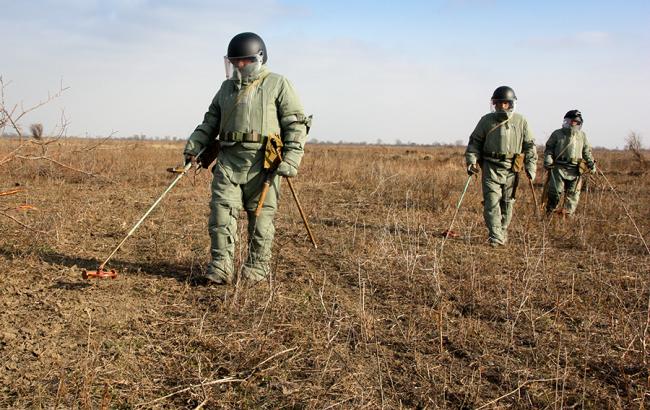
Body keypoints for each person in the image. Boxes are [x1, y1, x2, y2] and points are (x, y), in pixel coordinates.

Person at [183, 32, 310, 284]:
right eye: (234, 61)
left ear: (258, 58)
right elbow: (210, 121)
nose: (239, 66)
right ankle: (219, 268)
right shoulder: (225, 88)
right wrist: (194, 146)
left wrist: (292, 158)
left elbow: (296, 124)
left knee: (260, 220)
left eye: (244, 61)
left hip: (264, 164)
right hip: (229, 161)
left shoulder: (278, 84)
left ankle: (256, 270)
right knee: (221, 215)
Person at [465, 86, 537, 246]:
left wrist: (531, 167)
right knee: (491, 202)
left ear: (511, 104)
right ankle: (495, 237)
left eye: (504, 103)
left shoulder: (521, 121)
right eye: (497, 103)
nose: (500, 106)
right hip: (491, 167)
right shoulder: (486, 120)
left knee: (507, 203)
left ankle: (502, 230)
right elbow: (475, 142)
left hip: (512, 169)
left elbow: (530, 147)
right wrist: (471, 160)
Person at [543, 110, 595, 215]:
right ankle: (550, 213)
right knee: (555, 192)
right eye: (570, 121)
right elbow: (549, 149)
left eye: (575, 122)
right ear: (566, 121)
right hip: (558, 168)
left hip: (575, 170)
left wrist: (591, 164)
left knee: (573, 195)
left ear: (579, 123)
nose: (572, 124)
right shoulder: (557, 134)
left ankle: (567, 217)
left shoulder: (582, 136)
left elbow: (586, 152)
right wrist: (548, 159)